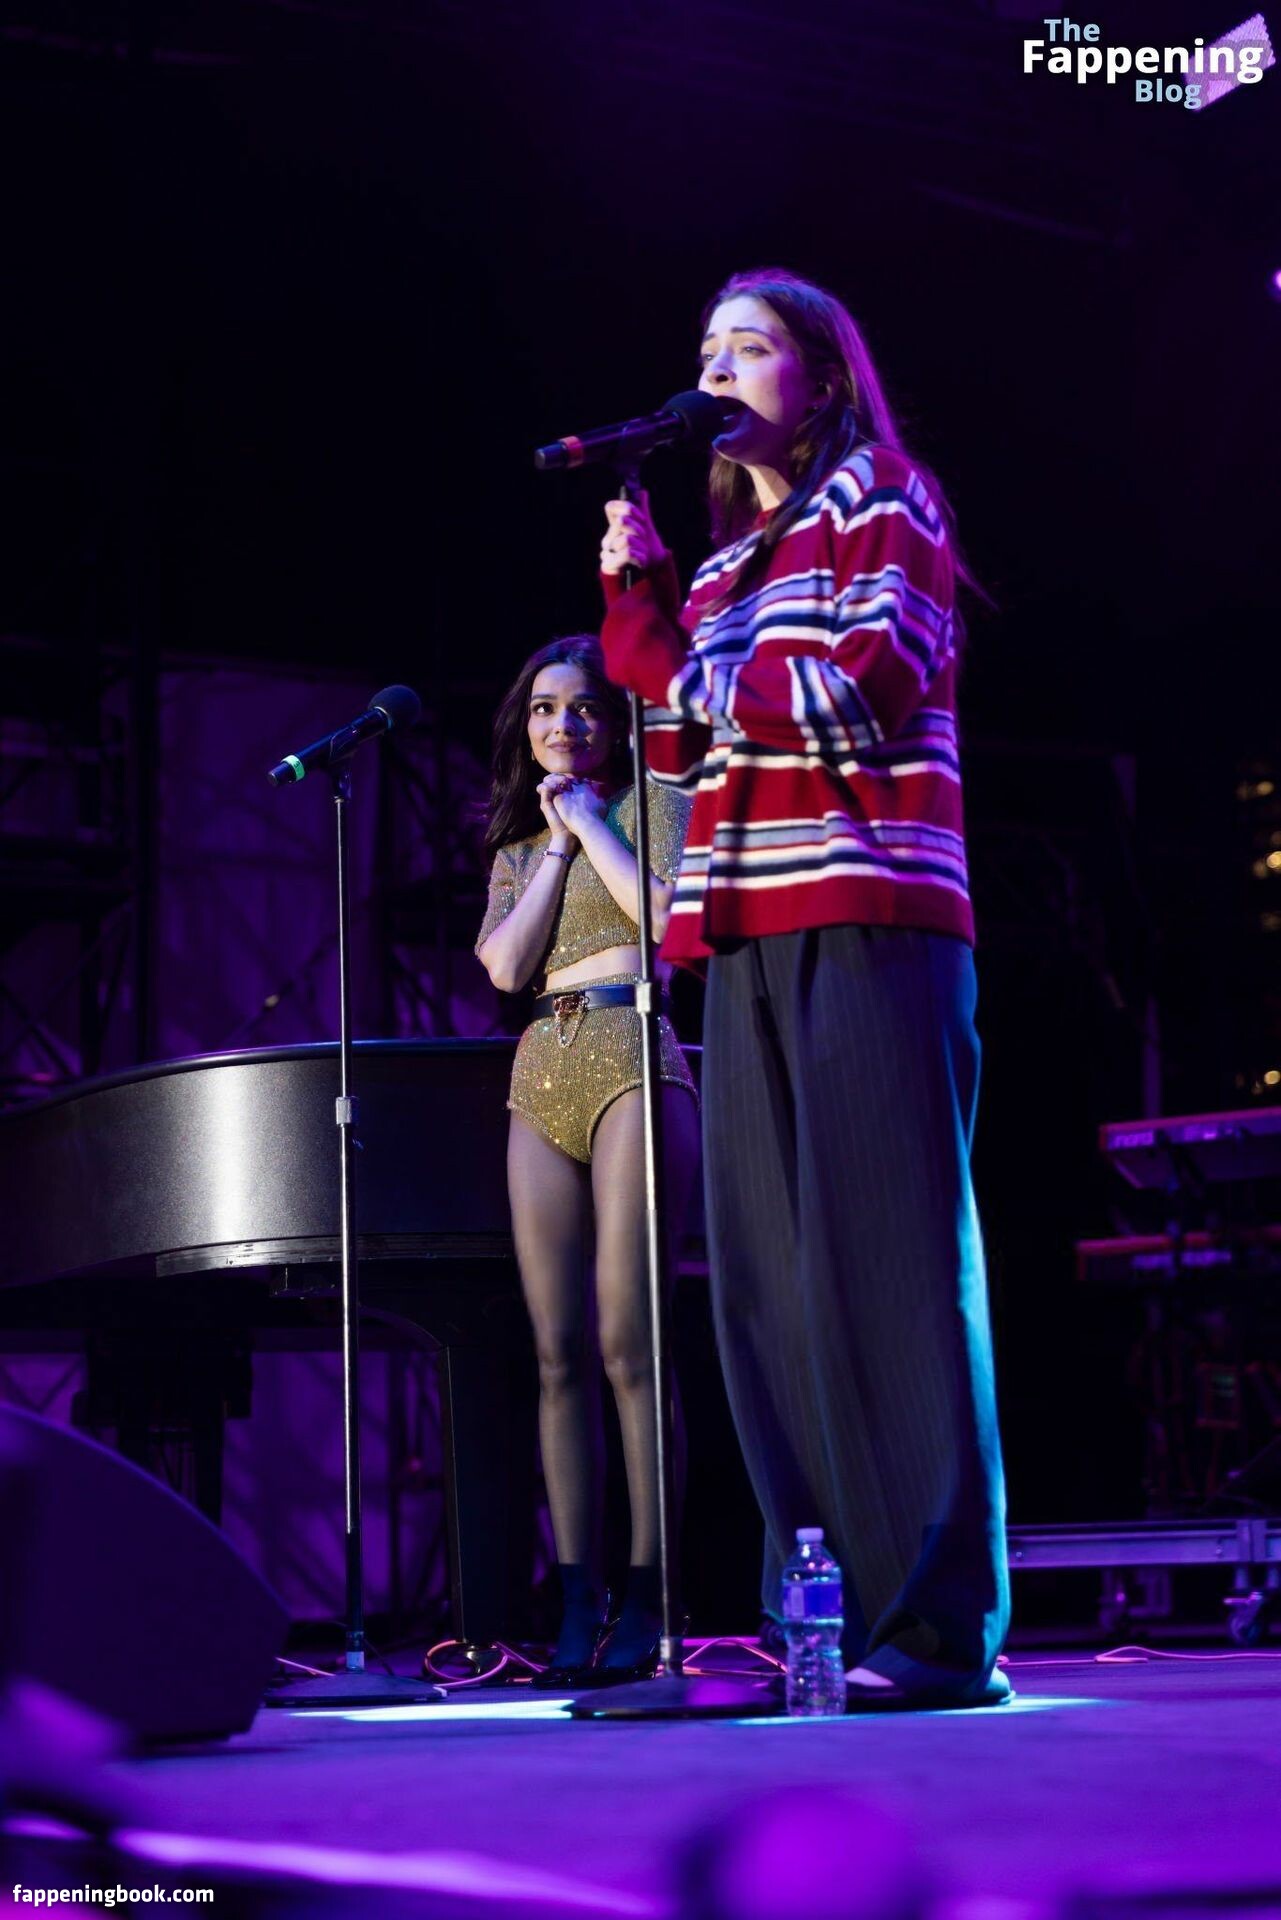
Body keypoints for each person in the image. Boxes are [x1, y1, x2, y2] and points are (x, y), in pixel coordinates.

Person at [597, 268, 1011, 1709]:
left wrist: (679, 670)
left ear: (821, 378)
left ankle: (937, 1627)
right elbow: (683, 763)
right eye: (705, 348)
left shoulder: (884, 497)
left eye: (750, 347)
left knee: (888, 1264)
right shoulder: (722, 572)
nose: (716, 369)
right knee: (767, 1291)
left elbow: (856, 693)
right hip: (742, 929)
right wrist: (642, 604)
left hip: (868, 906)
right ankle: (820, 1619)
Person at [475, 634, 700, 1686]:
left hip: (632, 1050)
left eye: (582, 708)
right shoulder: (521, 847)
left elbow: (661, 920)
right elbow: (505, 968)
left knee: (627, 1341)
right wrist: (558, 845)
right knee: (556, 1351)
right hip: (542, 1067)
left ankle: (653, 1591)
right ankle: (578, 1597)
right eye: (542, 708)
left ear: (616, 721)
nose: (561, 724)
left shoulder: (656, 799)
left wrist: (593, 824)